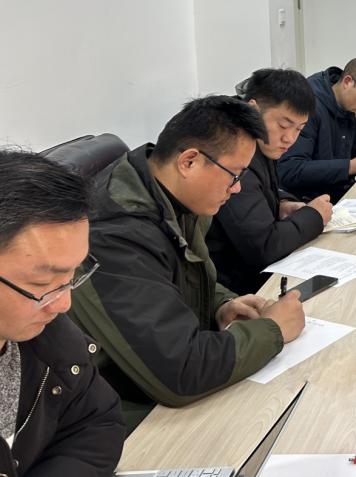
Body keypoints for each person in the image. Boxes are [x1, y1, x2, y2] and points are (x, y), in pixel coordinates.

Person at [69, 96, 307, 431]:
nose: (237, 188)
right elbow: (179, 373)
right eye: (234, 175)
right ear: (189, 161)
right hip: (120, 412)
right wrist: (274, 330)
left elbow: (169, 278)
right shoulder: (115, 237)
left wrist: (221, 303)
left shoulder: (163, 188)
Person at [0, 151, 125, 476]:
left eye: (71, 277)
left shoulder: (52, 342)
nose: (63, 304)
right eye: (42, 283)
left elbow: (96, 423)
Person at [207, 69, 333, 295]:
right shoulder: (232, 151)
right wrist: (314, 216)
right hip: (230, 289)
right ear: (254, 109)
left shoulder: (258, 141)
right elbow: (263, 247)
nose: (289, 138)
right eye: (283, 126)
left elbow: (259, 188)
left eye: (299, 129)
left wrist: (282, 203)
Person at [279, 57, 356, 203]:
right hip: (306, 202)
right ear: (347, 82)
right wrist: (350, 167)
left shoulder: (349, 108)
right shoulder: (308, 105)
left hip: (335, 196)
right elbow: (290, 169)